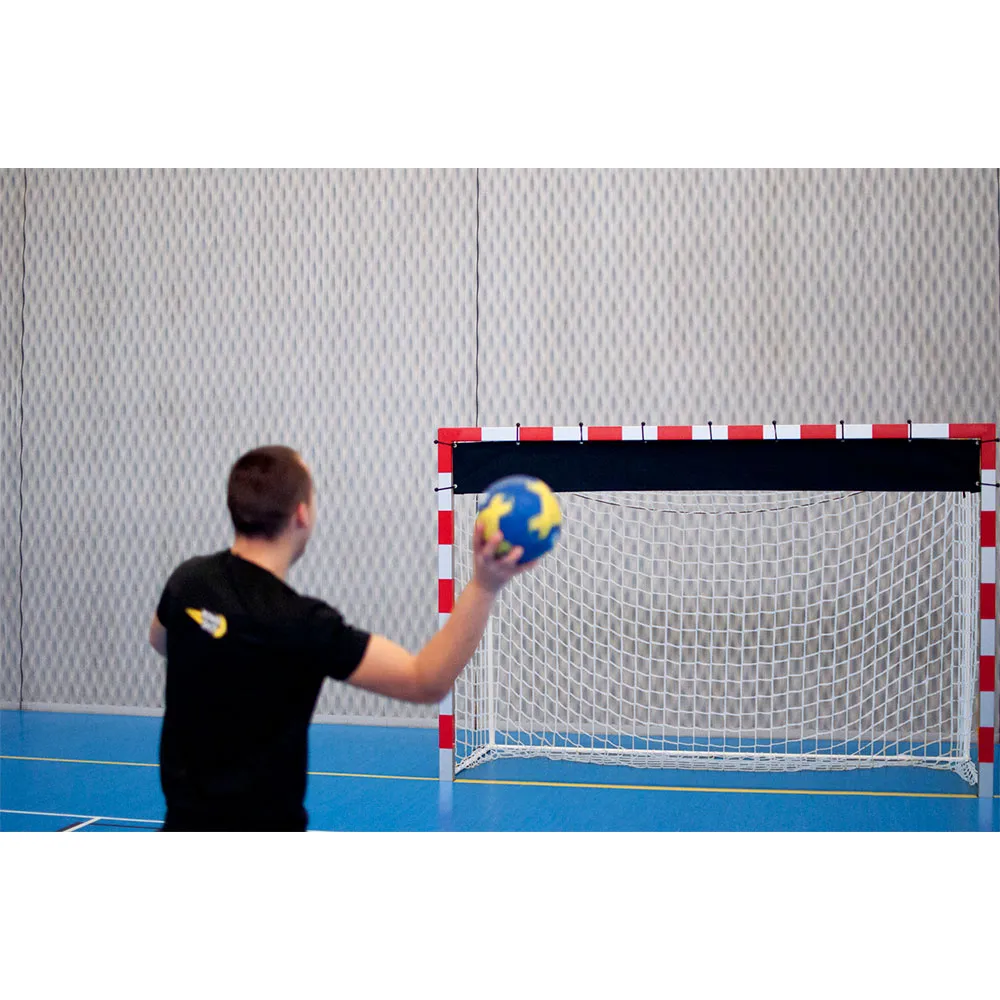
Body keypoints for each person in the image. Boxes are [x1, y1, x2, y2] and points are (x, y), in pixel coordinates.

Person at [148, 444, 533, 831]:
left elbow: (161, 641)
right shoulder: (303, 624)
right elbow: (425, 681)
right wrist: (485, 584)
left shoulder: (187, 581)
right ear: (302, 514)